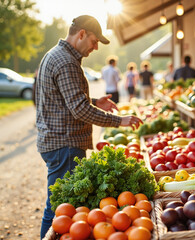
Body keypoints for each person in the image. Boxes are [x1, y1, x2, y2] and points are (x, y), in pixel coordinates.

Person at [35, 15, 142, 239]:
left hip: (57, 141)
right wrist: (119, 121)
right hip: (64, 144)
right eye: (94, 41)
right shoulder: (66, 61)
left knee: (61, 209)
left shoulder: (56, 55)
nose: (95, 47)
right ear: (81, 33)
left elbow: (63, 100)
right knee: (59, 210)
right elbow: (78, 110)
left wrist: (93, 101)